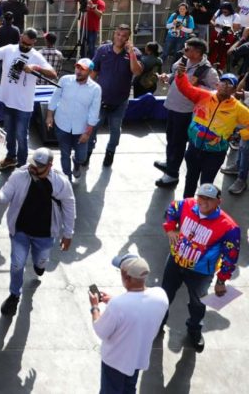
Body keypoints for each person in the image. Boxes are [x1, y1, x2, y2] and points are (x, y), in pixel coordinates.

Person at [0, 148, 75, 317]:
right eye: (32, 165)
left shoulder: (61, 183)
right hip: (20, 230)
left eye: (38, 167)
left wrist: (68, 234)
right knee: (17, 264)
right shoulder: (18, 175)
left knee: (41, 260)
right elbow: (5, 195)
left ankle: (40, 265)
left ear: (49, 166)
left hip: (45, 234)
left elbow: (69, 207)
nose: (32, 169)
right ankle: (14, 295)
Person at [161, 182, 241, 352]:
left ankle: (194, 330)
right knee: (164, 296)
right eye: (201, 197)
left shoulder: (229, 227)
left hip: (201, 273)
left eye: (209, 199)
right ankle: (158, 322)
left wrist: (221, 281)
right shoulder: (187, 204)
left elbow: (230, 256)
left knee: (198, 304)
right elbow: (171, 210)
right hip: (175, 262)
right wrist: (170, 229)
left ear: (219, 201)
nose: (203, 202)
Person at [89, 254, 169, 393]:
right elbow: (140, 308)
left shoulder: (118, 305)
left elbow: (101, 330)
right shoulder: (161, 295)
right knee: (129, 389)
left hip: (115, 361)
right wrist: (112, 301)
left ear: (126, 277)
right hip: (138, 358)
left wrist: (95, 307)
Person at [171, 63, 249, 197]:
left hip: (215, 154)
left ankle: (203, 213)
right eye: (223, 82)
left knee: (206, 186)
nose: (225, 85)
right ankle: (186, 210)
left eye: (229, 84)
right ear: (217, 85)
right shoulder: (204, 96)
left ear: (234, 90)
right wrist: (180, 75)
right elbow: (185, 88)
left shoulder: (238, 108)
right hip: (194, 149)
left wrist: (240, 135)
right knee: (190, 180)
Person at [0, 25, 57, 169]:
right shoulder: (9, 48)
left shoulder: (36, 56)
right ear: (20, 38)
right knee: (9, 134)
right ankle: (11, 157)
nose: (24, 46)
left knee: (21, 136)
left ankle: (23, 165)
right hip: (7, 101)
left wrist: (36, 68)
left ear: (34, 43)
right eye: (22, 42)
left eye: (28, 45)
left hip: (24, 105)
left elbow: (53, 74)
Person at [154, 38, 218, 189]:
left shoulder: (207, 71)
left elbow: (215, 93)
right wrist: (167, 78)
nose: (184, 50)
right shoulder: (183, 61)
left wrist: (197, 85)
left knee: (178, 142)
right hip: (173, 106)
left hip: (186, 111)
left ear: (197, 52)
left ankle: (172, 174)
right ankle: (170, 162)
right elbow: (174, 76)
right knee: (171, 138)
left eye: (188, 48)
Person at [90, 25, 143, 168]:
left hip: (120, 101)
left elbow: (137, 72)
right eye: (118, 34)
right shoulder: (103, 50)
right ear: (114, 34)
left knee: (115, 130)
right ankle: (88, 152)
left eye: (123, 36)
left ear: (128, 38)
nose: (120, 38)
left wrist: (131, 53)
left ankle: (110, 153)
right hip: (101, 99)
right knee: (92, 127)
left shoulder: (135, 53)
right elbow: (94, 71)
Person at [46, 58, 101, 180]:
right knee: (64, 154)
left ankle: (76, 164)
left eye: (83, 69)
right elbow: (55, 97)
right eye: (77, 67)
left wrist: (87, 133)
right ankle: (67, 178)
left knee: (81, 157)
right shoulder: (65, 80)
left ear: (90, 72)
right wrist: (49, 115)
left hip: (81, 129)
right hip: (62, 125)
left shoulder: (95, 89)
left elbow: (94, 112)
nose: (79, 71)